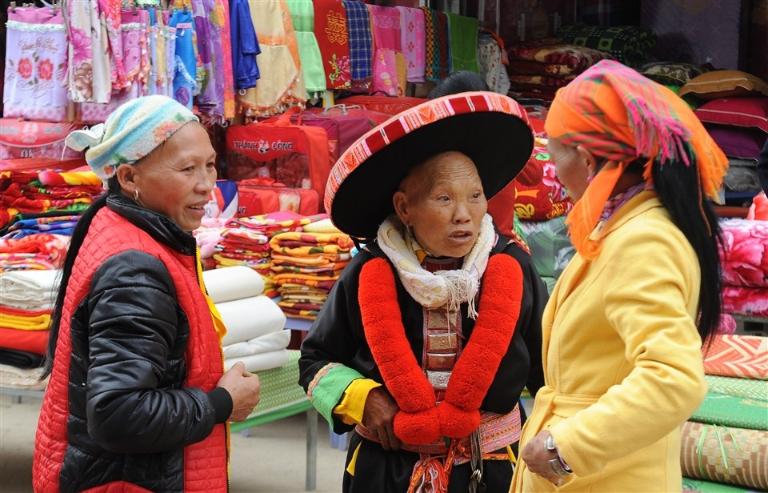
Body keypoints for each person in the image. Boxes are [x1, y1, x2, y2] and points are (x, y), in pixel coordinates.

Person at [300, 92, 547, 493]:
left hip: (491, 470)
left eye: (475, 196)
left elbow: (550, 369)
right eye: (444, 198)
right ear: (404, 207)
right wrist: (364, 398)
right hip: (386, 472)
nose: (463, 214)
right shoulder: (369, 270)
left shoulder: (513, 268)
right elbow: (315, 360)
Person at [511, 60, 727, 492]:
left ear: (588, 160)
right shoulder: (622, 229)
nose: (552, 173)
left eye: (554, 155)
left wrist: (566, 445)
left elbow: (673, 380)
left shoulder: (642, 240)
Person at [33, 95, 261, 493]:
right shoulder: (135, 269)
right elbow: (118, 413)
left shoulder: (127, 231)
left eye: (209, 164)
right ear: (129, 178)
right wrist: (222, 402)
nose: (207, 185)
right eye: (187, 169)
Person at [428, 71, 544, 240]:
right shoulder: (501, 136)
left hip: (483, 242)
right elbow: (534, 176)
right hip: (487, 240)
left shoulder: (444, 144)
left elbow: (534, 176)